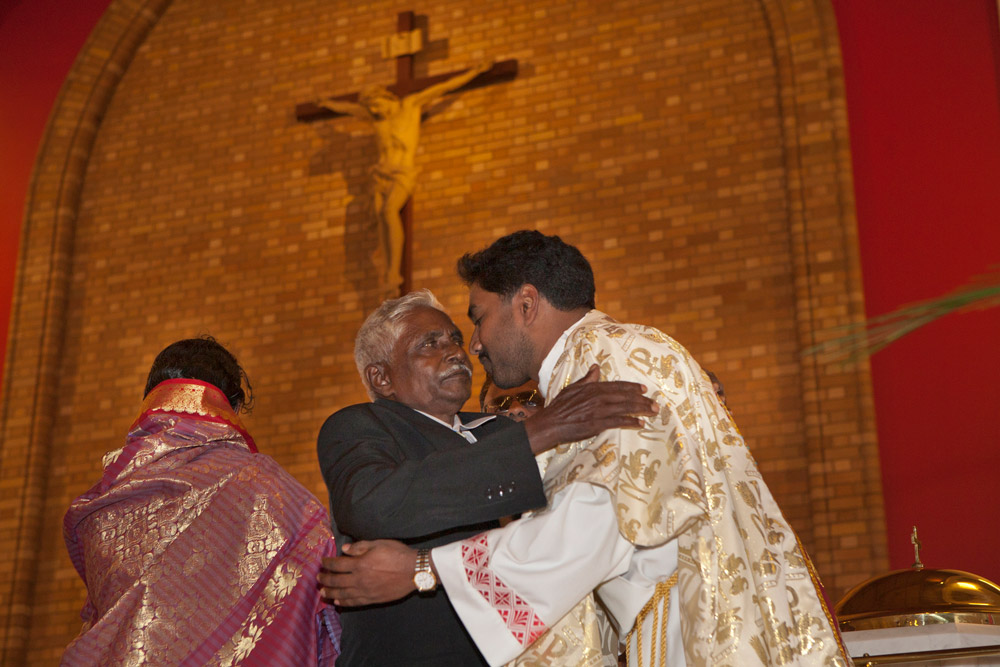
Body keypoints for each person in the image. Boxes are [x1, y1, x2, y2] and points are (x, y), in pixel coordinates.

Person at [322, 232, 849, 667]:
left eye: (475, 321)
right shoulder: (606, 364)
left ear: (525, 304)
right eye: (434, 342)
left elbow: (602, 522)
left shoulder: (611, 362)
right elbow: (380, 499)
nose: (472, 345)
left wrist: (423, 569)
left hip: (693, 626)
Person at [316, 289, 657, 666]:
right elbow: (372, 504)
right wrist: (539, 431)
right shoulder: (360, 425)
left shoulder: (499, 432)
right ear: (381, 378)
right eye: (430, 343)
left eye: (456, 339)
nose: (457, 352)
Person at [62, 337, 340, 666]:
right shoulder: (265, 487)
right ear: (232, 409)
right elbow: (329, 580)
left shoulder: (101, 510)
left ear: (150, 403)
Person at [319, 62, 491, 289]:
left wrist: (473, 72)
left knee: (390, 210)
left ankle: (393, 274)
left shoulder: (410, 105)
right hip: (380, 174)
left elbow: (442, 88)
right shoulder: (376, 119)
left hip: (402, 172)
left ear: (385, 97)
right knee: (381, 215)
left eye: (376, 105)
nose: (375, 111)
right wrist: (326, 104)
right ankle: (387, 273)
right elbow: (348, 110)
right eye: (371, 109)